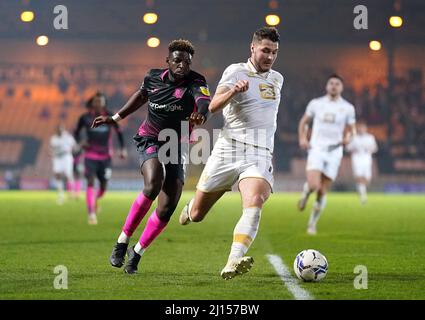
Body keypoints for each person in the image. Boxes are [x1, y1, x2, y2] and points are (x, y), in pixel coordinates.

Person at [92, 39, 211, 274]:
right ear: (168, 61)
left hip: (177, 146)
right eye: (177, 60)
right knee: (154, 181)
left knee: (167, 208)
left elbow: (203, 101)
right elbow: (140, 96)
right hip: (150, 138)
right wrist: (115, 118)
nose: (182, 66)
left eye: (187, 62)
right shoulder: (152, 77)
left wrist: (201, 116)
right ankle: (122, 241)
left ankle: (136, 253)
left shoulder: (196, 81)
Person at [178, 27, 283, 280]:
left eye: (274, 52)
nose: (269, 57)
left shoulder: (277, 79)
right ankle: (191, 206)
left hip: (259, 152)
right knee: (197, 215)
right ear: (253, 48)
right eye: (265, 50)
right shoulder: (234, 71)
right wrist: (234, 90)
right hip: (228, 149)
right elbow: (212, 107)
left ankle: (233, 259)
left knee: (255, 202)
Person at [297, 74, 356, 235]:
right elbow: (304, 122)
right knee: (314, 185)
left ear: (341, 87)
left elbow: (352, 129)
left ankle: (312, 224)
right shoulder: (316, 104)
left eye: (337, 83)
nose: (334, 85)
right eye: (331, 83)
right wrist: (303, 138)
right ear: (326, 86)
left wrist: (348, 138)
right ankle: (305, 194)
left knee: (322, 191)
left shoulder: (348, 108)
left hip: (335, 152)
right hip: (316, 148)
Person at [74, 92, 126, 225]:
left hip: (106, 156)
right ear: (92, 103)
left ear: (104, 103)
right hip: (90, 155)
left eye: (100, 102)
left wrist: (122, 149)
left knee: (103, 188)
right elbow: (76, 133)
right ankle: (91, 213)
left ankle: (95, 199)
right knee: (90, 182)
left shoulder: (110, 117)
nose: (98, 104)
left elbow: (119, 133)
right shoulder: (85, 118)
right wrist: (80, 142)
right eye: (96, 102)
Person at [346, 122, 378, 204]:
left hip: (366, 158)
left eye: (363, 128)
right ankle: (363, 197)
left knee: (367, 178)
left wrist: (369, 149)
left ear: (365, 129)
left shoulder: (370, 137)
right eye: (360, 128)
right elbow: (347, 148)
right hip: (357, 159)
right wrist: (353, 148)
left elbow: (375, 148)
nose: (361, 130)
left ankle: (362, 190)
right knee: (359, 177)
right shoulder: (354, 138)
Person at [49, 124, 76, 204]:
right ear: (56, 130)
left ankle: (72, 192)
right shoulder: (54, 138)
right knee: (57, 174)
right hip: (57, 158)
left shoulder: (68, 137)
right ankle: (61, 193)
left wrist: (71, 151)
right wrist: (51, 153)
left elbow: (74, 145)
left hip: (66, 157)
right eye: (58, 130)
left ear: (63, 130)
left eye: (61, 130)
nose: (60, 131)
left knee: (68, 174)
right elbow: (51, 148)